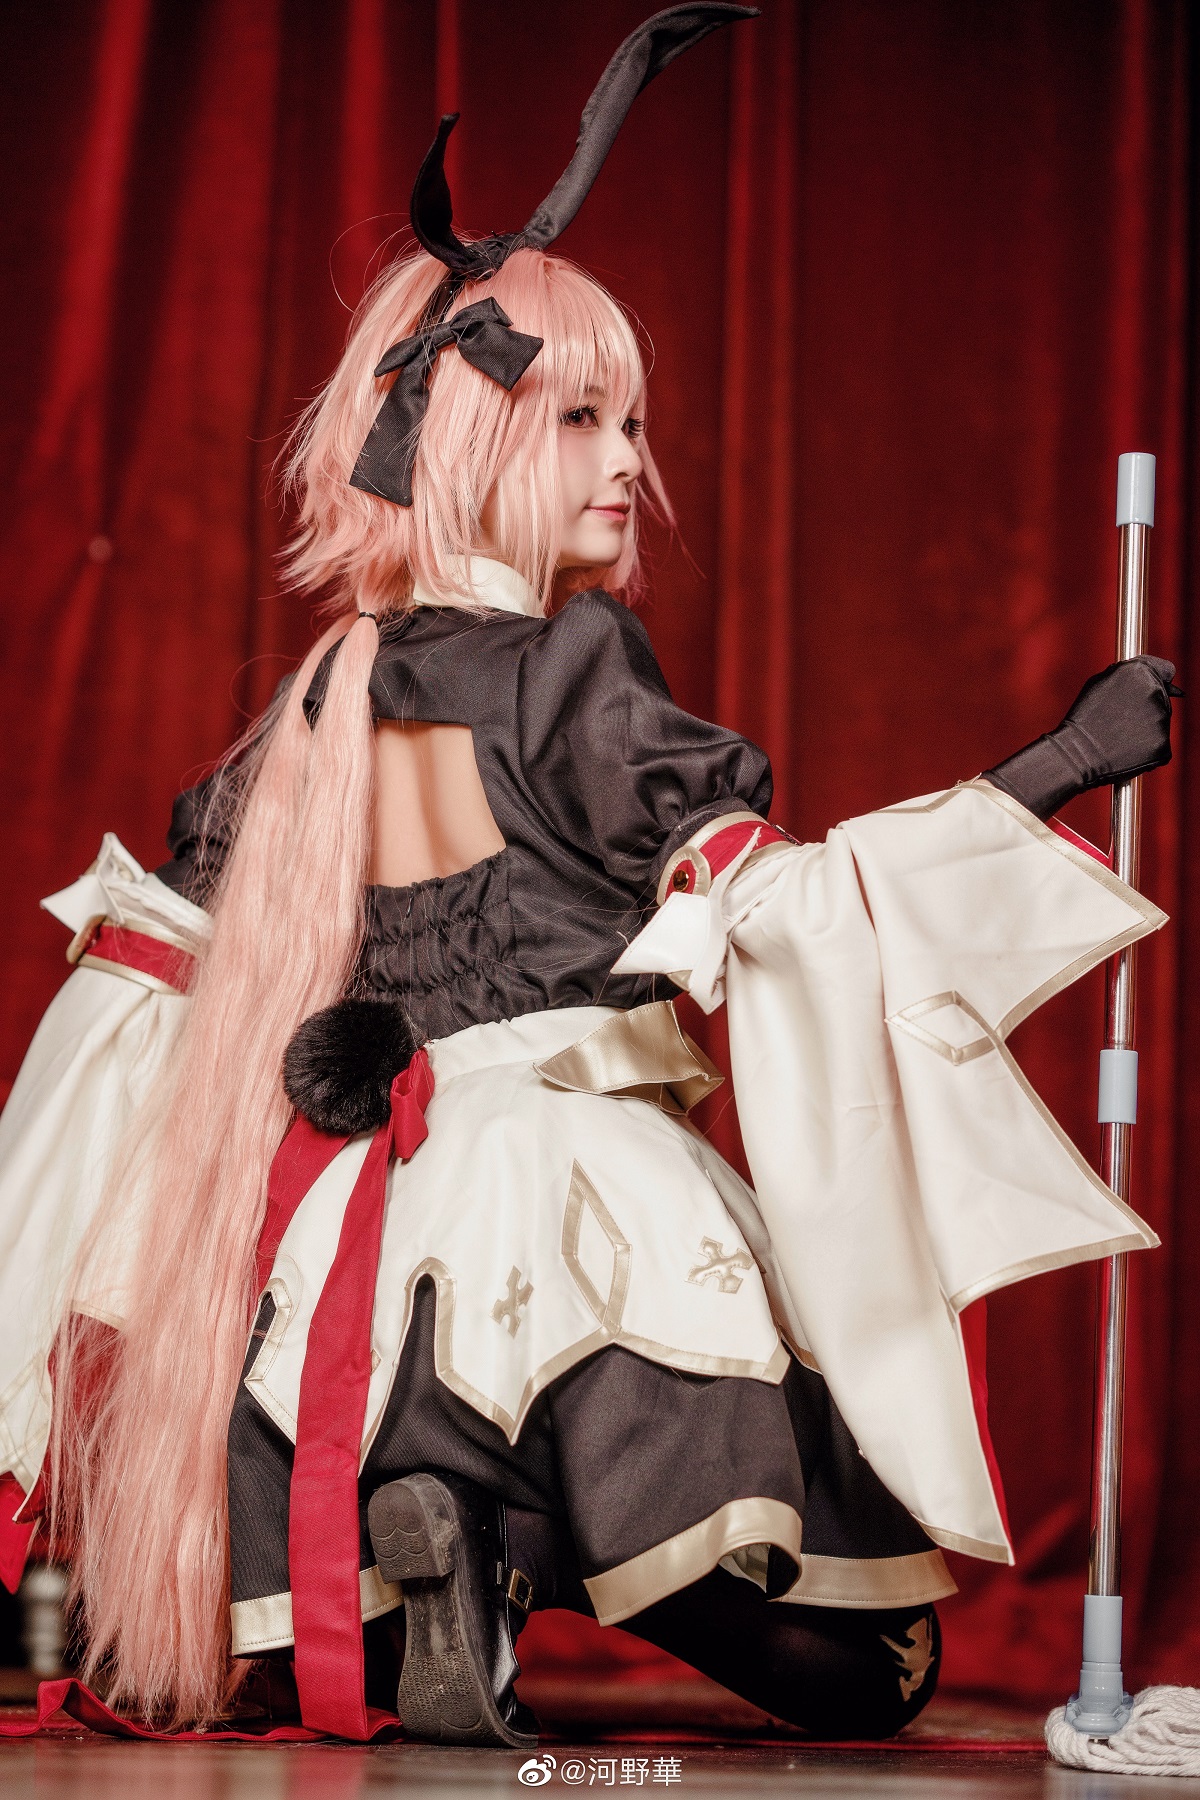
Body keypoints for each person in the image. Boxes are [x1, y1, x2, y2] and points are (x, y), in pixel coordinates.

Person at [0, 3, 1178, 1750]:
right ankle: (497, 1541)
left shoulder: (315, 704)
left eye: (633, 420)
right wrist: (1058, 766)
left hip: (352, 1253)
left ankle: (458, 1544)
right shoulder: (569, 665)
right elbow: (784, 914)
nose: (633, 462)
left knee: (458, 1438)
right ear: (475, 440)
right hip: (571, 1187)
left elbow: (141, 994)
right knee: (879, 1675)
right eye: (586, 420)